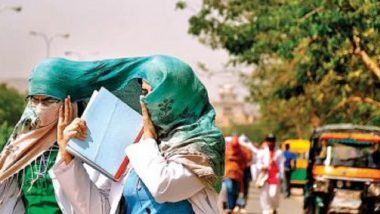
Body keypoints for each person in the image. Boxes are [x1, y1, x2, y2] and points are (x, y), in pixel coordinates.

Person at [0, 55, 225, 214]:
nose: (143, 101)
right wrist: (68, 161)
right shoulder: (138, 147)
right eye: (141, 93)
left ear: (174, 95)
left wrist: (147, 139)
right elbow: (99, 209)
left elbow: (164, 185)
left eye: (148, 93)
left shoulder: (203, 147)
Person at [223, 135, 252, 213]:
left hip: (238, 175)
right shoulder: (226, 150)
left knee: (236, 191)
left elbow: (247, 159)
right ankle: (230, 206)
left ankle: (234, 206)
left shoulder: (242, 151)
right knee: (229, 189)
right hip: (228, 174)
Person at [256, 134, 283, 214]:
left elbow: (281, 165)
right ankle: (266, 210)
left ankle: (273, 208)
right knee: (264, 194)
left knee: (273, 194)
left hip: (275, 176)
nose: (270, 142)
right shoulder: (262, 152)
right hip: (265, 176)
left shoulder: (279, 152)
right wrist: (262, 167)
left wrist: (281, 177)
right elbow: (258, 164)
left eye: (272, 141)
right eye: (269, 141)